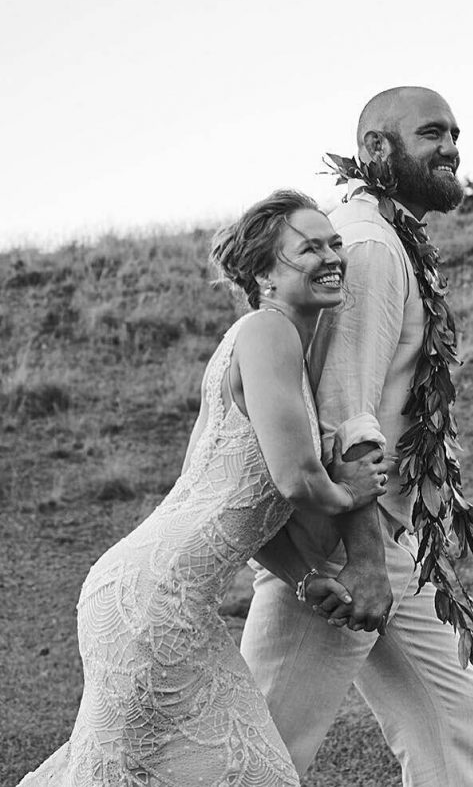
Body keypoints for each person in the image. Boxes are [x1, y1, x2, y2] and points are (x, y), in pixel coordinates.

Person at [17, 190, 391, 787]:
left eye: (334, 243)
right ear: (265, 276)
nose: (331, 257)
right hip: (155, 603)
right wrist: (350, 493)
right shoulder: (269, 332)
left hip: (149, 592)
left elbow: (233, 506)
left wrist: (302, 576)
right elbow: (296, 479)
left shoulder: (267, 346)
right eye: (308, 249)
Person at [241, 87, 473, 786]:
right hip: (343, 539)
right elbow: (344, 409)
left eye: (455, 135)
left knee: (451, 716)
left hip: (381, 532)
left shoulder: (385, 235)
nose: (451, 148)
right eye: (431, 133)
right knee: (262, 751)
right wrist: (360, 562)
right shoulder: (371, 247)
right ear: (376, 148)